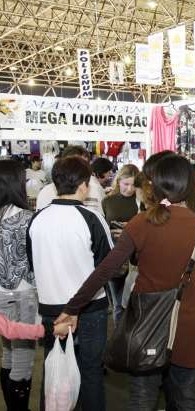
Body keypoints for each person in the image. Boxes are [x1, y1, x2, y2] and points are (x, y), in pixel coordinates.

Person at [55, 155, 195, 411]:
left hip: (146, 325)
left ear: (153, 185)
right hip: (187, 328)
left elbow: (106, 269)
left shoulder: (142, 222)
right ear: (189, 185)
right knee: (187, 398)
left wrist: (72, 307)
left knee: (142, 399)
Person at [27, 156, 114, 411]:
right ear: (85, 185)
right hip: (90, 309)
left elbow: (33, 265)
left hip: (51, 309)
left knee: (54, 372)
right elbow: (106, 267)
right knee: (90, 373)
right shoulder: (92, 218)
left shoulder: (37, 219)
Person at [0, 160, 37, 410]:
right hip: (24, 295)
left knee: (8, 354)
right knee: (23, 360)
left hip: (1, 295)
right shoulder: (28, 218)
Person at [102, 164, 140, 324]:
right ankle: (120, 342)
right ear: (119, 182)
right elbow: (103, 227)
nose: (129, 189)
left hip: (138, 259)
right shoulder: (108, 201)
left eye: (133, 185)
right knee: (118, 305)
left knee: (135, 305)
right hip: (115, 258)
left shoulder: (142, 203)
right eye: (126, 184)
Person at [36, 145, 106, 215]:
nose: (82, 170)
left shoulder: (95, 189)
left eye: (85, 165)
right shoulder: (45, 192)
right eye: (76, 165)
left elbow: (100, 217)